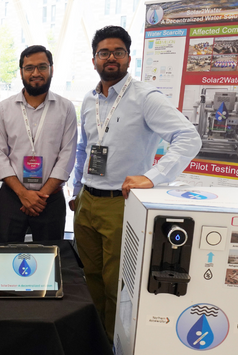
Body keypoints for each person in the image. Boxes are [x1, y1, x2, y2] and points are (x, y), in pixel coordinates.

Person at [69, 26, 201, 342]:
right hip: (87, 203)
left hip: (122, 204)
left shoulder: (146, 98)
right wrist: (76, 190)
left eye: (118, 51)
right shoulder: (89, 99)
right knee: (87, 278)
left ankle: (113, 344)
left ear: (129, 57)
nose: (111, 57)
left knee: (117, 284)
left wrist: (152, 177)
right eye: (104, 52)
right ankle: (91, 340)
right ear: (94, 59)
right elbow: (84, 149)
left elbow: (189, 137)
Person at [0, 45, 77, 243]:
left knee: (48, 262)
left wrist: (40, 196)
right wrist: (23, 194)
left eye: (42, 67)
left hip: (50, 199)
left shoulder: (66, 108)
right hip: (12, 198)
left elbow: (67, 155)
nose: (36, 73)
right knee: (5, 258)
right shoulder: (5, 108)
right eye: (29, 68)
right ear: (21, 71)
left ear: (52, 69)